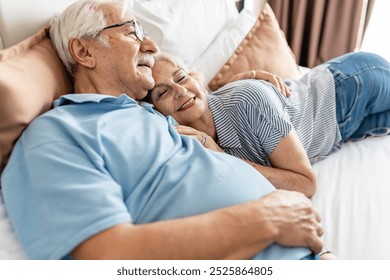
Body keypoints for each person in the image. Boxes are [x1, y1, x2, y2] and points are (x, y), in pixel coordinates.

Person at [0, 0, 326, 260]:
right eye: (132, 33)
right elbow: (109, 255)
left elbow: (197, 97)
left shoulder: (148, 113)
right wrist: (267, 218)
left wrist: (252, 80)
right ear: (84, 52)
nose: (153, 48)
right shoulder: (58, 135)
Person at [147, 51, 390, 198]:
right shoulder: (192, 146)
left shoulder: (248, 99)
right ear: (156, 113)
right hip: (340, 130)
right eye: (162, 93)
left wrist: (224, 158)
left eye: (180, 77)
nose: (179, 91)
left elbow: (306, 183)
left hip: (349, 86)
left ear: (195, 77)